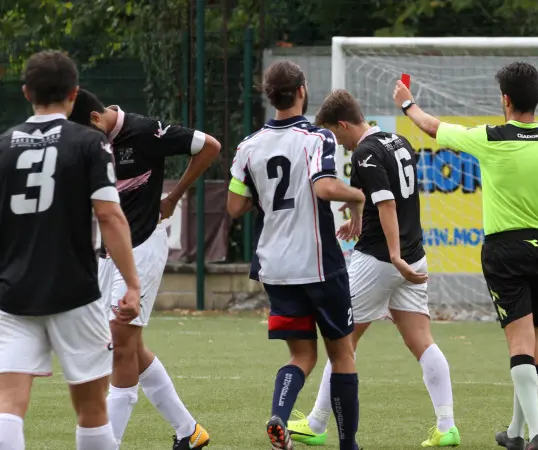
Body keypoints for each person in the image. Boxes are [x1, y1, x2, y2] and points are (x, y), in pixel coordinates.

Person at [394, 62, 538, 450]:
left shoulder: (491, 138)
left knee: (518, 342)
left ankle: (537, 434)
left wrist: (407, 105)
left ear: (506, 100)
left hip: (505, 250)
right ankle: (515, 433)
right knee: (532, 342)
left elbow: (433, 128)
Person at [286, 90, 460, 447]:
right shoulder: (396, 140)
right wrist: (357, 218)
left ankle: (317, 424)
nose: (338, 145)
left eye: (336, 136)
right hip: (414, 255)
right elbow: (375, 195)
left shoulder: (365, 152)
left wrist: (393, 255)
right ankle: (447, 426)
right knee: (423, 342)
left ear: (344, 124)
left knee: (341, 341)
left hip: (381, 260)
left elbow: (388, 203)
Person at [0, 50, 141, 450]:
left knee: (8, 403)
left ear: (27, 92)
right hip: (75, 292)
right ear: (75, 94)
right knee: (92, 408)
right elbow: (111, 217)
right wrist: (131, 284)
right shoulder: (89, 143)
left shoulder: (3, 145)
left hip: (13, 293)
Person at [68, 89, 220, 449]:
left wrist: (174, 195)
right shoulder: (91, 146)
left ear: (94, 119)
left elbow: (210, 146)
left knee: (120, 345)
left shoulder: (146, 132)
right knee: (129, 346)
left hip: (144, 247)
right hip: (110, 253)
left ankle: (110, 441)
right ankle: (189, 431)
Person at [226, 60, 362, 450]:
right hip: (319, 263)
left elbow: (235, 207)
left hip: (276, 266)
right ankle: (349, 444)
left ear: (269, 96)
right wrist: (358, 198)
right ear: (302, 90)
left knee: (301, 355)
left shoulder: (248, 147)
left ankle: (279, 417)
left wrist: (262, 196)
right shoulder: (319, 138)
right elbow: (325, 188)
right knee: (342, 354)